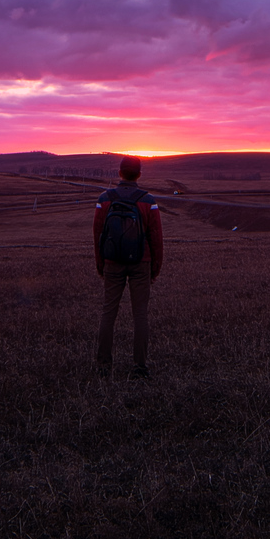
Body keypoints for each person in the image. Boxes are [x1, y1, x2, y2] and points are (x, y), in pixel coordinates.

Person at [94, 156, 164, 378]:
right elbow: (156, 238)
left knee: (108, 313)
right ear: (139, 175)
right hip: (141, 263)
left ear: (120, 173)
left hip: (112, 262)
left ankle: (104, 365)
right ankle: (140, 367)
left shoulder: (104, 199)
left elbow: (98, 235)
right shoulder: (148, 201)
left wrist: (101, 264)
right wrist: (155, 268)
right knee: (140, 314)